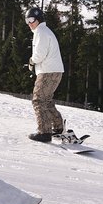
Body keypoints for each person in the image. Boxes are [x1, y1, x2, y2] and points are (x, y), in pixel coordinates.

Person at [25, 7, 65, 142]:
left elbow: (39, 55)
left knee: (38, 100)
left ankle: (44, 132)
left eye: (31, 19)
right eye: (27, 20)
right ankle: (58, 127)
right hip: (55, 71)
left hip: (48, 71)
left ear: (39, 19)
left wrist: (31, 61)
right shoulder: (44, 31)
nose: (29, 23)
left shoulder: (40, 31)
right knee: (46, 100)